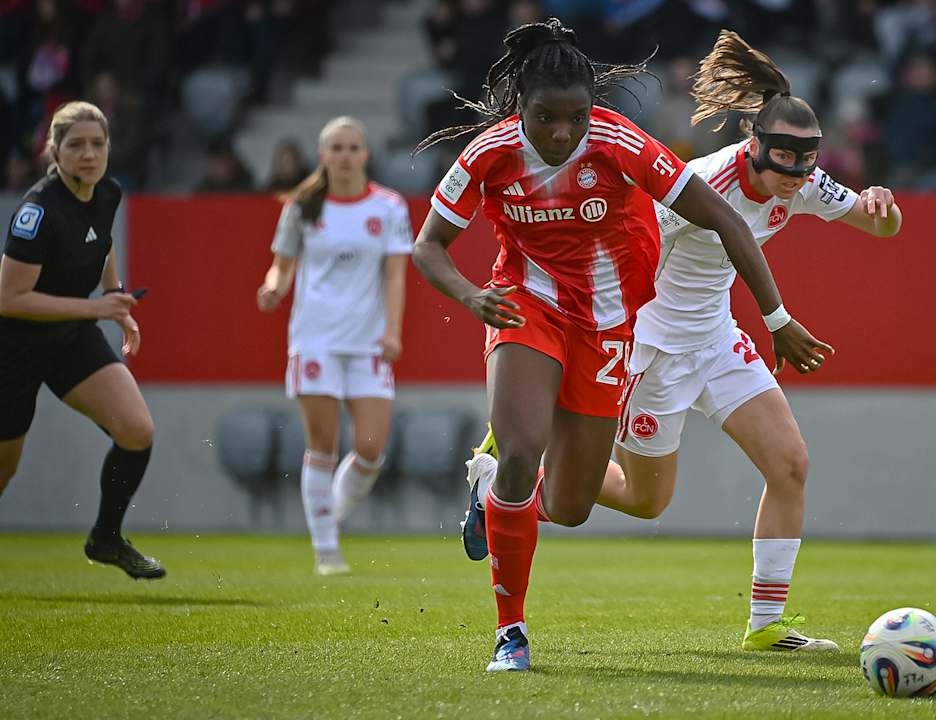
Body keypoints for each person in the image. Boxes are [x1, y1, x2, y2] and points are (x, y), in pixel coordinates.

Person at [412, 18, 829, 672]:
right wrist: (470, 296)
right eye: (546, 118)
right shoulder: (488, 153)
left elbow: (721, 217)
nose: (562, 134)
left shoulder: (618, 141)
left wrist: (776, 318)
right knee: (523, 449)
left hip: (609, 329)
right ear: (520, 105)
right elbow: (428, 244)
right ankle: (510, 634)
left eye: (576, 117)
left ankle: (496, 488)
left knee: (573, 506)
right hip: (525, 303)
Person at [584, 29, 899, 652]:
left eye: (805, 164)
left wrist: (882, 207)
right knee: (647, 503)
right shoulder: (696, 185)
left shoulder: (801, 182)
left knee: (790, 465)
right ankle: (524, 484)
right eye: (783, 161)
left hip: (718, 340)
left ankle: (766, 626)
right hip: (656, 354)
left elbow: (880, 226)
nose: (795, 178)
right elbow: (622, 260)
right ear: (752, 144)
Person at [0, 101, 164, 580]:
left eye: (98, 144)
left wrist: (114, 298)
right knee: (4, 470)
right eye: (76, 145)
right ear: (53, 150)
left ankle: (106, 539)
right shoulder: (37, 210)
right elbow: (10, 299)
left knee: (137, 431)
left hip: (70, 337)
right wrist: (96, 308)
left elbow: (103, 239)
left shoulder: (107, 192)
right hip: (15, 347)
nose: (89, 154)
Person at [257, 116, 412, 576]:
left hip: (367, 343)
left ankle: (329, 516)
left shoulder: (388, 207)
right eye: (336, 148)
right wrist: (273, 289)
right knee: (322, 443)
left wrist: (393, 331)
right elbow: (280, 267)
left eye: (352, 147)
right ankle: (326, 549)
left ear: (365, 154)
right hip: (315, 338)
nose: (345, 155)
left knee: (371, 447)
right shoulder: (302, 206)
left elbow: (396, 274)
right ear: (322, 156)